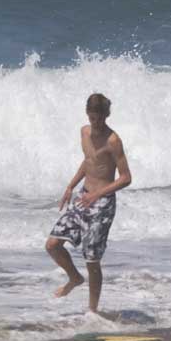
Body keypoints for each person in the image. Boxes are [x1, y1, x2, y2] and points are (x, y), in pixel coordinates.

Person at [45, 93, 132, 313]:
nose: (96, 124)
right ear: (88, 114)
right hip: (83, 197)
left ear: (106, 116)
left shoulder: (114, 141)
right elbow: (89, 162)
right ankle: (74, 278)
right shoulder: (84, 132)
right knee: (52, 245)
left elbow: (126, 177)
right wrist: (70, 186)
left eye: (100, 119)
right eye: (93, 119)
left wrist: (97, 194)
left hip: (102, 205)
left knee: (92, 260)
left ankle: (92, 312)